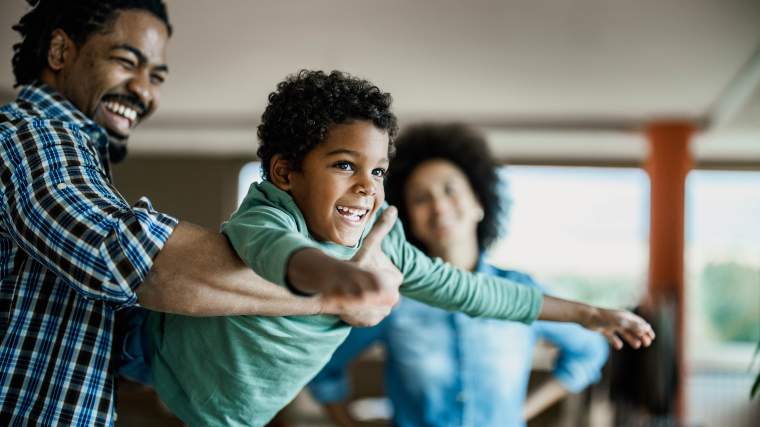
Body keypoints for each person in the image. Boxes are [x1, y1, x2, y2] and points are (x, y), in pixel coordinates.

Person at [145, 70, 654, 426]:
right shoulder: (269, 213)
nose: (368, 186)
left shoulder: (385, 246)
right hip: (158, 360)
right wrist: (334, 279)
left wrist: (587, 313)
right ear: (285, 173)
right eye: (345, 165)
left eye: (379, 171)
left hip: (230, 413)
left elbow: (479, 293)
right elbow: (277, 253)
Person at [0, 2, 400, 425]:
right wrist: (339, 293)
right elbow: (132, 261)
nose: (144, 91)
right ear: (60, 52)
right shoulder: (29, 137)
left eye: (155, 77)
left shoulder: (76, 158)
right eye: (125, 62)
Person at [309, 123, 612, 427]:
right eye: (420, 198)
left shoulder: (519, 289)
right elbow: (323, 367)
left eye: (450, 190)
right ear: (408, 219)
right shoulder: (391, 295)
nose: (438, 205)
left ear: (479, 203)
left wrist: (517, 415)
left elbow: (589, 352)